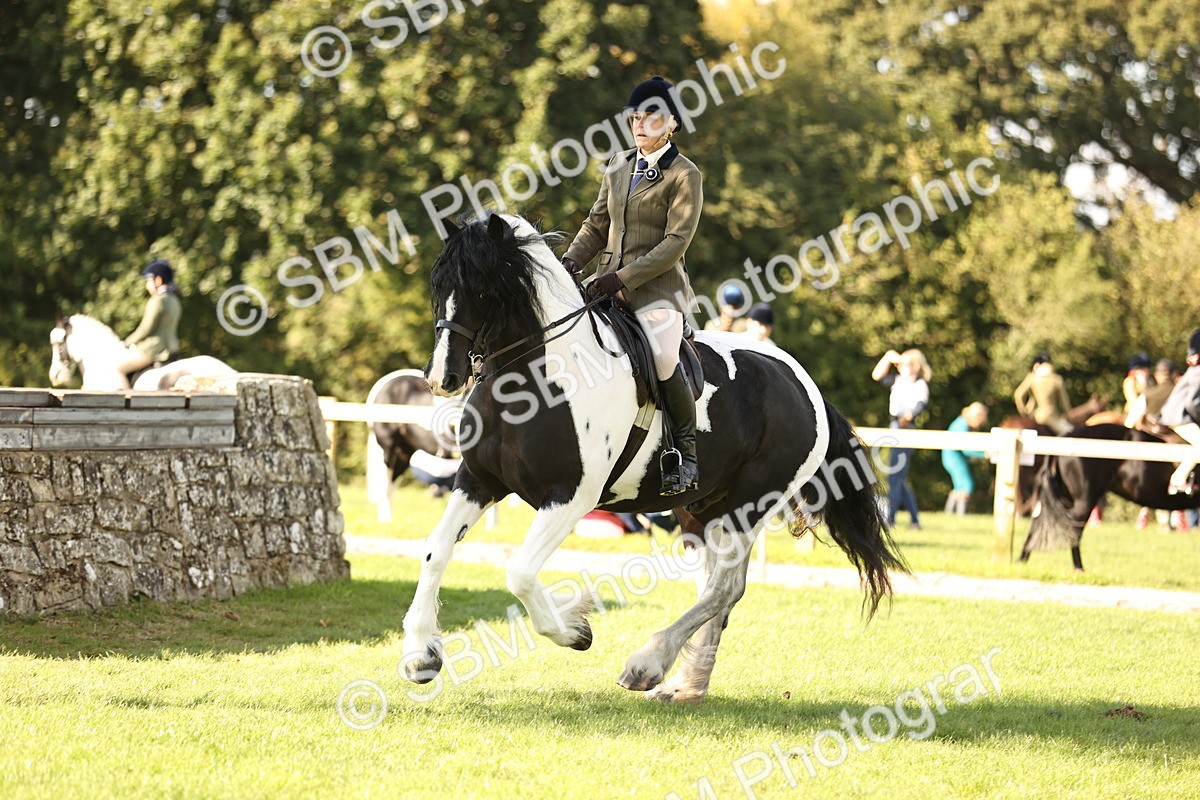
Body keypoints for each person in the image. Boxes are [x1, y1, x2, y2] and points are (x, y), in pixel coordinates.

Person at [562, 75, 704, 496]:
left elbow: (675, 243)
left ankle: (686, 454)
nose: (639, 125)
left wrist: (620, 278)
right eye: (634, 117)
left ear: (673, 123)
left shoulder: (685, 175)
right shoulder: (619, 164)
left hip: (658, 291)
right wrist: (569, 261)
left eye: (650, 117)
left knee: (662, 359)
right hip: (605, 283)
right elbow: (597, 223)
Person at [872, 348, 931, 529]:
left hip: (905, 431)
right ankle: (915, 521)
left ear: (915, 366)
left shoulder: (919, 385)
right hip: (894, 430)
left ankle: (890, 519)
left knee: (894, 479)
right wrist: (890, 356)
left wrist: (909, 415)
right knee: (899, 480)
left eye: (905, 364)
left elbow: (919, 406)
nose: (900, 368)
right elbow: (877, 375)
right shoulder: (898, 382)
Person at [116, 258, 181, 376]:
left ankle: (126, 394)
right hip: (173, 348)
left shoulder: (157, 300)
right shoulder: (174, 300)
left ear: (158, 280)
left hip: (154, 350)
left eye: (148, 281)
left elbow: (145, 329)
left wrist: (126, 343)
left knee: (117, 369)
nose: (147, 286)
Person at [1159, 329, 1200, 495]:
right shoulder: (1198, 372)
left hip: (1178, 415)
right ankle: (1177, 480)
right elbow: (1192, 403)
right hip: (1178, 417)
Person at [942, 402, 989, 516]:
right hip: (954, 458)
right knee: (967, 485)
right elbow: (965, 448)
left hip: (950, 457)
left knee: (959, 487)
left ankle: (948, 516)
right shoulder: (962, 425)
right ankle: (960, 516)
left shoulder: (961, 422)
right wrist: (984, 454)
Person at [1013, 352, 1072, 435]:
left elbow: (1018, 394)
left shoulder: (1032, 377)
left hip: (1033, 416)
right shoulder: (1056, 379)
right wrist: (1069, 415)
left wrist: (1023, 411)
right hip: (1050, 418)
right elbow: (1064, 403)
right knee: (1069, 432)